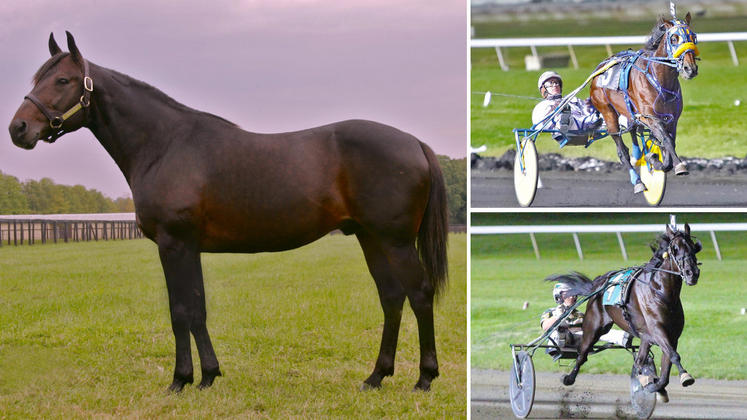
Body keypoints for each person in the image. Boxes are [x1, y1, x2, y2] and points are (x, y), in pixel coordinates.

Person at [541, 283, 631, 352]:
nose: (571, 297)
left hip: (579, 339)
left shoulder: (579, 314)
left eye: (573, 294)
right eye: (568, 294)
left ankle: (623, 337)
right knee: (559, 332)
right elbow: (545, 327)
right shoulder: (550, 312)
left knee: (598, 332)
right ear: (559, 296)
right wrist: (558, 316)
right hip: (558, 340)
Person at [532, 71, 603, 144]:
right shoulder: (542, 105)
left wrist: (591, 105)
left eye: (557, 83)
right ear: (543, 89)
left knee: (602, 115)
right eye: (550, 83)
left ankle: (595, 127)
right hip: (564, 127)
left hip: (582, 124)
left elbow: (586, 111)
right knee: (566, 114)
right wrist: (554, 109)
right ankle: (563, 129)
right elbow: (539, 125)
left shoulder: (572, 99)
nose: (555, 85)